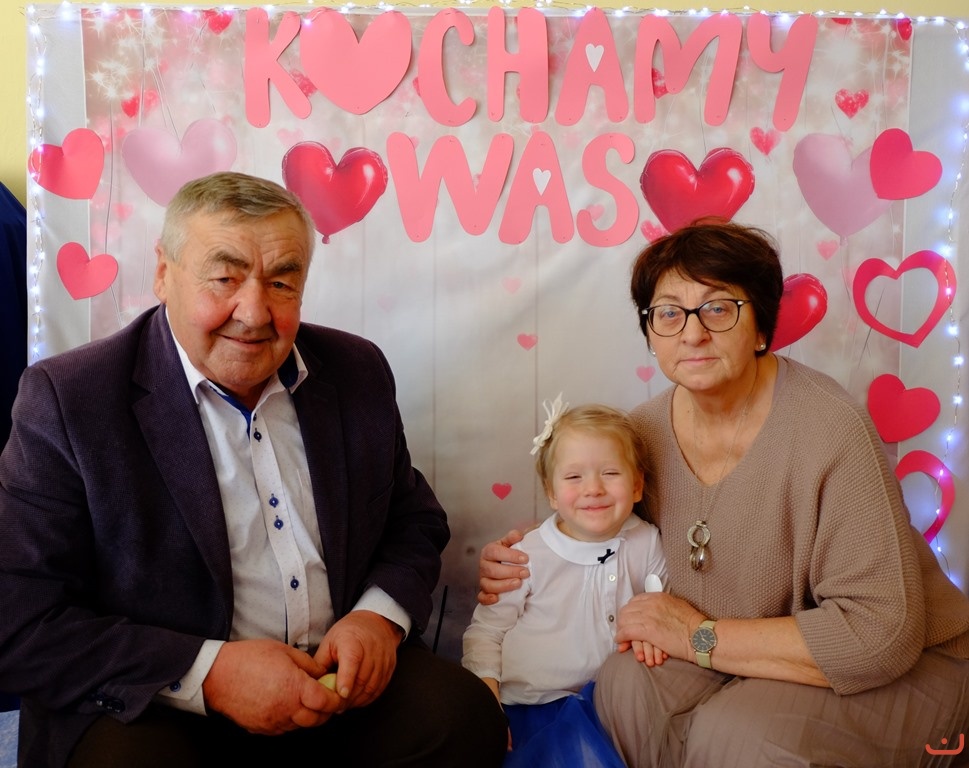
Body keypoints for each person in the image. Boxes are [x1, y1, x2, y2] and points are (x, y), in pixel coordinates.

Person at [0, 171, 507, 768]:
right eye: (224, 278)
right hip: (162, 699)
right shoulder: (68, 400)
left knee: (464, 718)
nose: (254, 311)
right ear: (163, 273)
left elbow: (412, 520)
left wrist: (378, 618)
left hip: (336, 684)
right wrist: (211, 673)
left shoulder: (356, 370)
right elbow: (22, 618)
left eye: (282, 282)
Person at [477, 220, 969, 767]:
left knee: (735, 734)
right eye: (669, 313)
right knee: (627, 682)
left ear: (760, 327)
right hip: (743, 653)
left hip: (905, 660)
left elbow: (878, 636)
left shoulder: (831, 429)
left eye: (718, 308)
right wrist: (531, 553)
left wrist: (699, 636)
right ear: (651, 333)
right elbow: (598, 519)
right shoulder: (642, 433)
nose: (692, 334)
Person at [463, 399, 667, 766]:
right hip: (531, 706)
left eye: (610, 473)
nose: (593, 488)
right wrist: (486, 697)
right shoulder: (526, 557)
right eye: (574, 477)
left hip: (609, 704)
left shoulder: (647, 542)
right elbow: (486, 632)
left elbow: (661, 604)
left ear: (637, 485)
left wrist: (652, 631)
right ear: (552, 492)